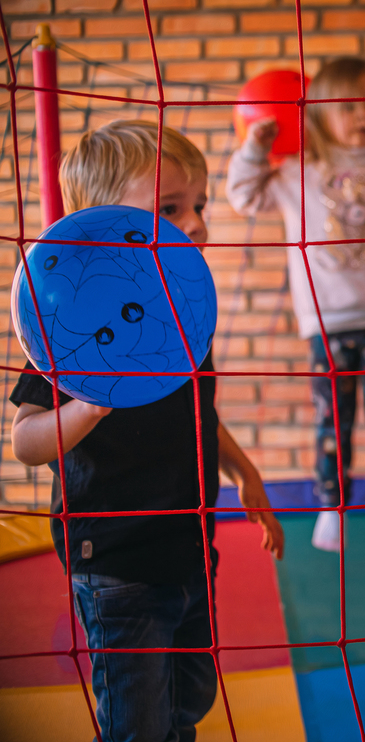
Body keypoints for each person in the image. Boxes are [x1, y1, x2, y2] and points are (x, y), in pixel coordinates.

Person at [10, 120, 285, 742]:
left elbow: (199, 415)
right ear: (101, 227)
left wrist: (245, 472)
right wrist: (84, 407)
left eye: (199, 206)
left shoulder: (185, 319)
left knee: (190, 699)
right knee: (138, 722)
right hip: (115, 562)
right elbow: (25, 441)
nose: (196, 224)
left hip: (189, 549)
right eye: (170, 209)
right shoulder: (70, 331)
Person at [226, 57, 365, 561]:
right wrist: (254, 148)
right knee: (333, 420)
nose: (363, 116)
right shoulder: (298, 172)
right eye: (348, 107)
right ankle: (332, 505)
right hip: (326, 320)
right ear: (318, 114)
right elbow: (243, 196)